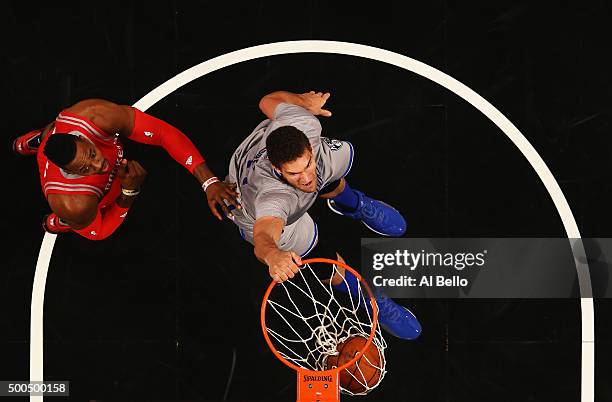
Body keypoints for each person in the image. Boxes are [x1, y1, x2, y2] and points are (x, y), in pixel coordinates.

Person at [225, 90, 420, 340]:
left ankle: (352, 204)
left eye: (307, 164)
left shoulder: (305, 123)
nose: (305, 177)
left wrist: (302, 101)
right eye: (294, 173)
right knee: (319, 258)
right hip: (254, 211)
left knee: (327, 167)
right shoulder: (272, 197)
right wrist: (273, 255)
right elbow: (263, 234)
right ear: (277, 168)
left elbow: (266, 101)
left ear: (309, 145)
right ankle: (370, 300)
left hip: (269, 148)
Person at [13, 98, 239, 240]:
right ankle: (63, 222)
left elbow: (162, 133)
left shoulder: (93, 115)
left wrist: (209, 181)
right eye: (85, 168)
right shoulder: (73, 203)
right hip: (89, 204)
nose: (98, 164)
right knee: (79, 220)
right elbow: (99, 232)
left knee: (52, 131)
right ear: (72, 173)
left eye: (92, 153)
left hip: (61, 132)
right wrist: (129, 193)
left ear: (82, 138)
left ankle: (39, 138)